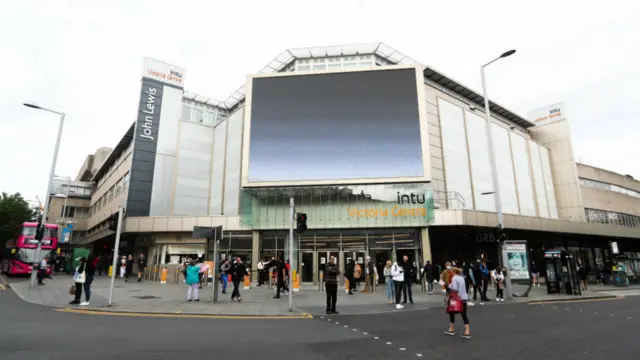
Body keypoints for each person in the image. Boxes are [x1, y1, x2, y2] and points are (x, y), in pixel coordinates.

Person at [444, 267, 471, 339]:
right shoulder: (461, 278)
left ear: (453, 272)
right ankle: (467, 332)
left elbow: (455, 288)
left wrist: (448, 286)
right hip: (464, 297)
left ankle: (451, 329)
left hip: (457, 298)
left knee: (451, 312)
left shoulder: (454, 278)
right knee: (464, 315)